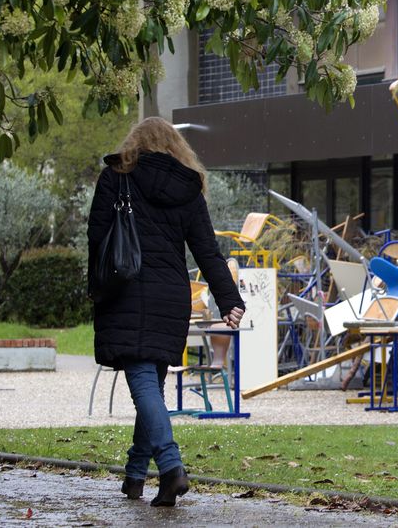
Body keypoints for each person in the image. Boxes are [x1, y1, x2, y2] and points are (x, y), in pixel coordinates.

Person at [87, 117, 245, 507]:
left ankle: (172, 469)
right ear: (176, 147)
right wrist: (230, 300)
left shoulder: (116, 177)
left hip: (127, 290)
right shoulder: (188, 189)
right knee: (151, 386)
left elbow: (96, 237)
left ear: (135, 144)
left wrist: (97, 288)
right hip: (171, 295)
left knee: (142, 383)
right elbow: (207, 251)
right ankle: (136, 476)